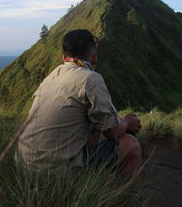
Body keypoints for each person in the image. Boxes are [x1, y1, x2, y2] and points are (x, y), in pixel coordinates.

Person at [17, 29, 142, 176]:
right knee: (131, 144)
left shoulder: (51, 76)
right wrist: (127, 122)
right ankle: (124, 195)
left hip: (24, 166)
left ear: (63, 57)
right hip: (56, 172)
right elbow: (112, 132)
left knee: (94, 134)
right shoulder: (91, 79)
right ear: (93, 58)